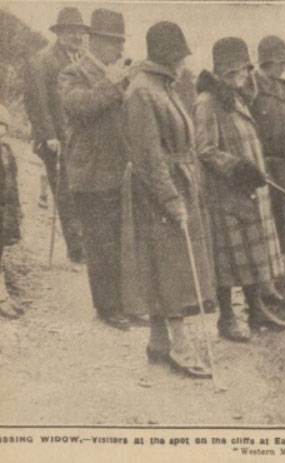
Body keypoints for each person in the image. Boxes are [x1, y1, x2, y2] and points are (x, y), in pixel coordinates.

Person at [123, 21, 217, 378]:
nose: (183, 62)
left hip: (175, 181)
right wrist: (171, 198)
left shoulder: (163, 86)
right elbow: (148, 157)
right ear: (167, 56)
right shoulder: (142, 92)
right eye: (179, 55)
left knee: (166, 263)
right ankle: (180, 346)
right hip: (156, 190)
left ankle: (159, 341)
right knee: (170, 266)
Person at [193, 37, 285, 341]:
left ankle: (257, 311)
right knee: (227, 259)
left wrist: (250, 171)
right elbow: (205, 150)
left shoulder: (234, 96)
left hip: (245, 190)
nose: (246, 75)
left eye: (247, 69)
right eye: (240, 69)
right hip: (224, 193)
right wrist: (237, 167)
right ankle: (227, 319)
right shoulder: (208, 103)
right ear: (224, 70)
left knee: (250, 252)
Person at [58, 8, 134, 331]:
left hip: (118, 171)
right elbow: (79, 107)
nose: (118, 49)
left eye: (119, 42)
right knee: (100, 243)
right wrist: (111, 83)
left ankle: (121, 302)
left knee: (119, 240)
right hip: (88, 174)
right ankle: (107, 308)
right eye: (112, 42)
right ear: (94, 41)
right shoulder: (72, 73)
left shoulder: (120, 75)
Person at [23, 7, 86, 263]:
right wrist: (49, 135)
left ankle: (82, 245)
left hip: (78, 139)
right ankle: (77, 250)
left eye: (80, 32)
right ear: (60, 33)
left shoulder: (81, 59)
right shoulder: (43, 59)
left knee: (80, 190)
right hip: (56, 140)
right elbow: (36, 102)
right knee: (66, 193)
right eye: (72, 32)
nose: (77, 37)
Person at [248, 35, 285, 305]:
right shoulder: (251, 88)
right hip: (263, 166)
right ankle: (263, 282)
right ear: (266, 61)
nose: (283, 67)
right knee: (265, 223)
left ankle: (279, 277)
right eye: (279, 62)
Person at [0, 102, 23, 319]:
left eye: (1, 124)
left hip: (4, 211)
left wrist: (16, 210)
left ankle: (1, 293)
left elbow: (13, 182)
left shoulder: (7, 150)